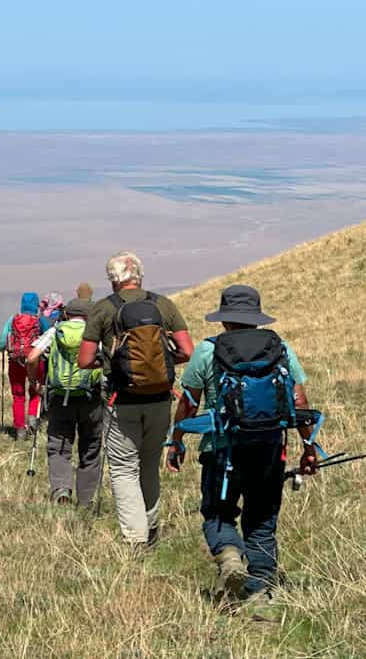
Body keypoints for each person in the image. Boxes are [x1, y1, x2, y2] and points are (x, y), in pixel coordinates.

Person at [166, 284, 318, 610]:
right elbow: (299, 400)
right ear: (256, 318)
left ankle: (230, 558)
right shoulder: (279, 347)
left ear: (224, 320)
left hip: (222, 450)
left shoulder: (208, 351)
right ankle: (261, 595)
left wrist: (175, 442)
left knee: (217, 514)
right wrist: (309, 447)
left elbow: (189, 403)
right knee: (262, 520)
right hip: (269, 447)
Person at [77, 251, 194, 550]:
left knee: (122, 467)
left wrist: (112, 364)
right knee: (149, 463)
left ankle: (135, 539)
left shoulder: (103, 309)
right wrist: (158, 364)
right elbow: (187, 351)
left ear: (113, 279)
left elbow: (85, 359)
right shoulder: (163, 304)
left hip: (122, 399)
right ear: (139, 275)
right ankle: (152, 527)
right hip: (160, 398)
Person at [25, 297, 104, 507]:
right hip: (91, 398)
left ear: (67, 314)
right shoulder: (95, 335)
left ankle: (61, 490)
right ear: (90, 316)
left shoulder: (55, 331)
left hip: (59, 397)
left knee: (59, 445)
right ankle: (86, 500)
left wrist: (35, 384)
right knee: (90, 447)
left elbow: (32, 358)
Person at [0, 292, 51, 440]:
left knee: (18, 396)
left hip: (15, 362)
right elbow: (49, 338)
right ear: (35, 305)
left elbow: (2, 343)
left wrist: (4, 349)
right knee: (35, 391)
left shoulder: (12, 320)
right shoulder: (40, 321)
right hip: (35, 361)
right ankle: (33, 421)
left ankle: (20, 429)